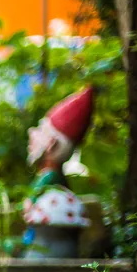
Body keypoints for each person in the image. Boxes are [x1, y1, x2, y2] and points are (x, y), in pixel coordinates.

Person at [23, 86, 94, 257]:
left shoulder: (49, 176)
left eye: (41, 131)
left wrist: (29, 202)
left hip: (48, 235)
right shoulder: (56, 178)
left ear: (52, 144)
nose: (33, 134)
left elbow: (34, 194)